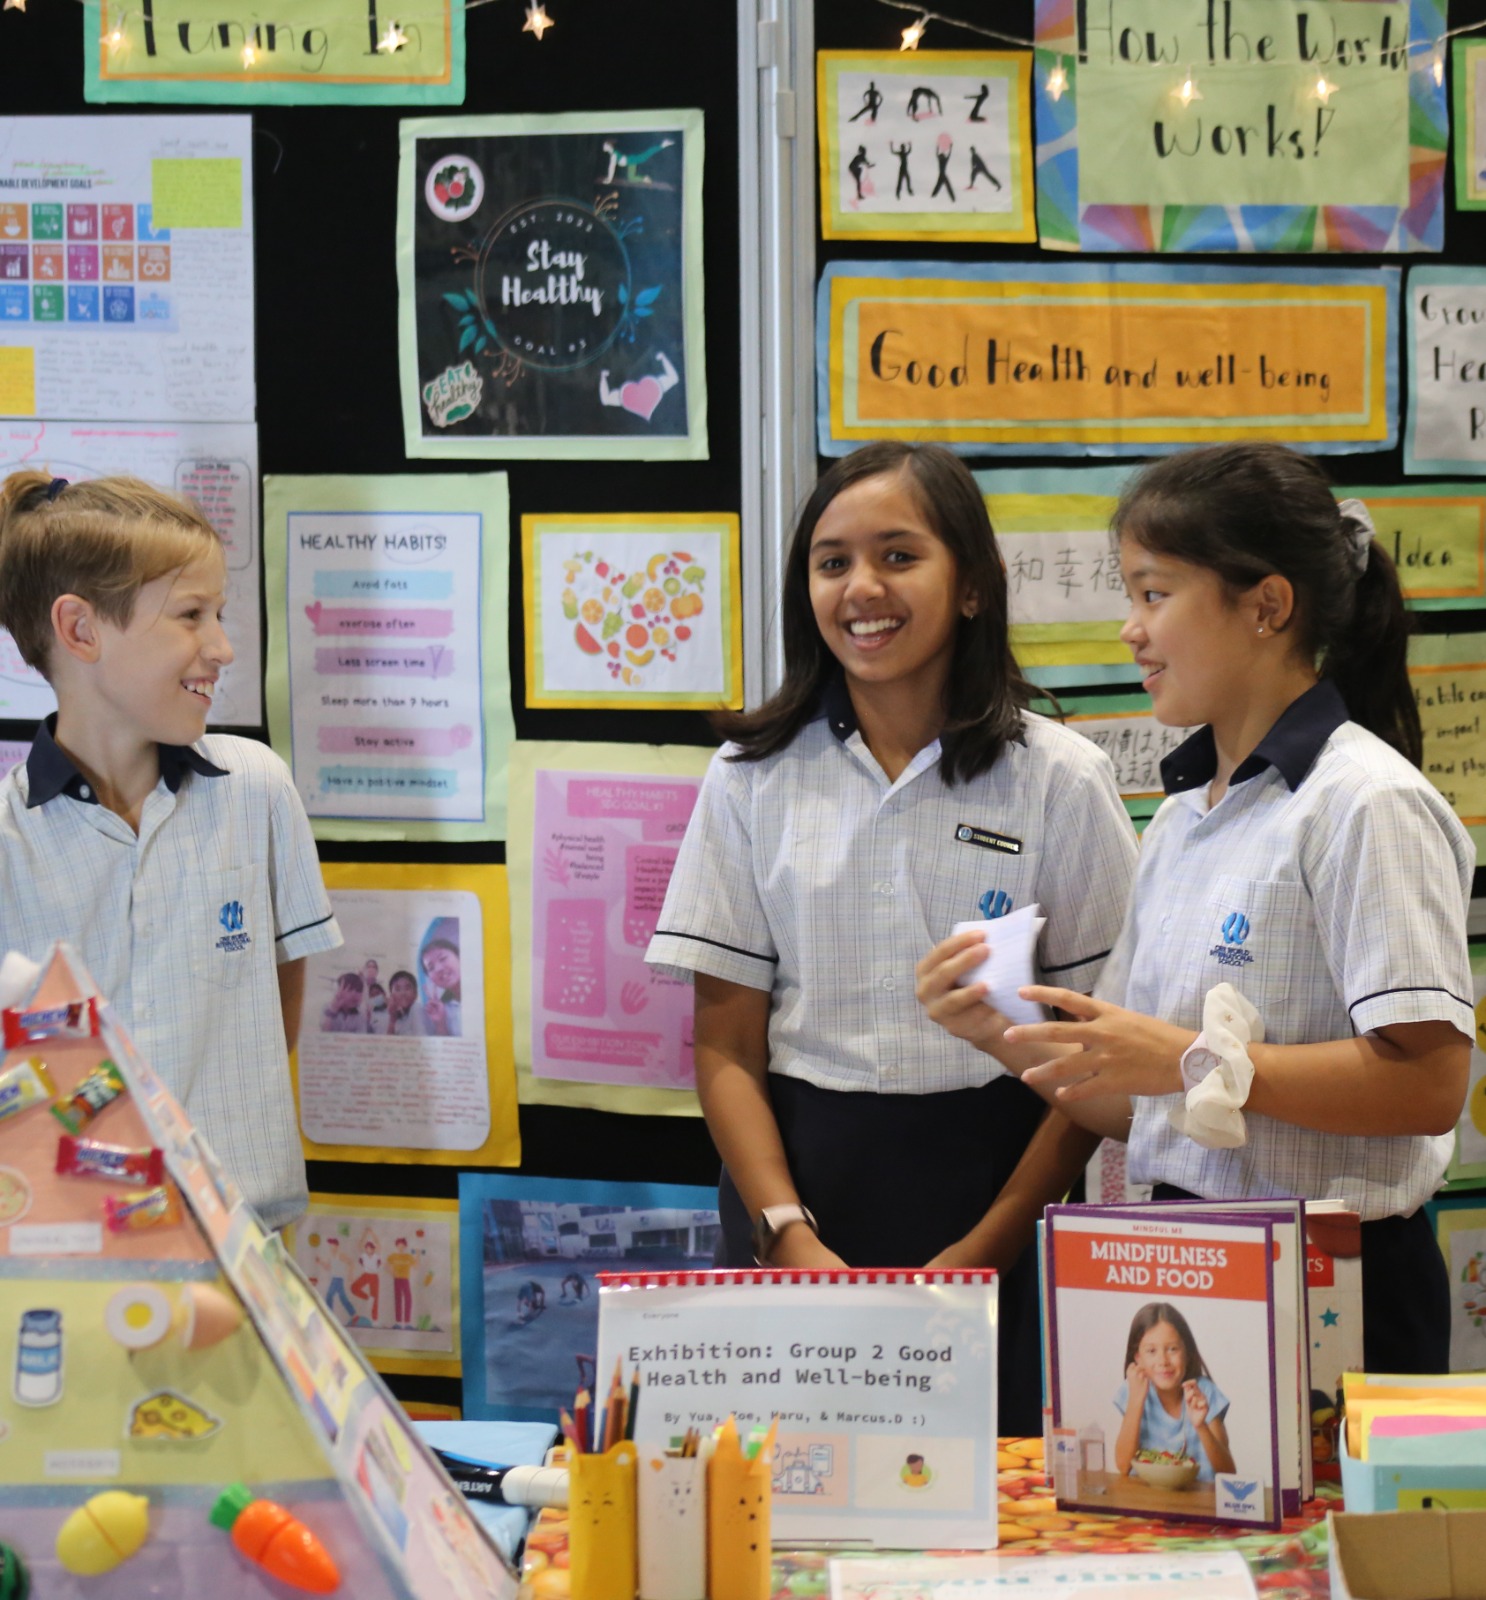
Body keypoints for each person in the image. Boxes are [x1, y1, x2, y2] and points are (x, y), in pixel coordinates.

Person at [917, 443, 1473, 1373]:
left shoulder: (1365, 802)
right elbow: (1135, 1105)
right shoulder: (1181, 817)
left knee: (1322, 1527)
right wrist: (997, 1030)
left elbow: (1426, 1086)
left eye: (1154, 593)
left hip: (1338, 1277)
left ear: (1267, 606)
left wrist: (1190, 1059)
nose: (1130, 630)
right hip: (1189, 1263)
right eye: (1129, 595)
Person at [646, 441, 1138, 1433]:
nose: (861, 588)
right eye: (832, 562)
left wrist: (996, 1239)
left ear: (970, 585)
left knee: (997, 1524)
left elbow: (1101, 1054)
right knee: (791, 1509)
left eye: (898, 555)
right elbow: (724, 1044)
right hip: (796, 1183)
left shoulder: (1061, 779)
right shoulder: (750, 779)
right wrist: (783, 1229)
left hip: (1003, 1183)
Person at [0, 471, 341, 1229]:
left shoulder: (255, 788)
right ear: (81, 630)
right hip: (64, 1262)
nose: (220, 647)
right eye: (191, 615)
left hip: (247, 1246)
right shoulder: (8, 844)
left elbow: (278, 1010)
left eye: (217, 613)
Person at [1113, 1302, 1233, 1481]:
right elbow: (1123, 1466)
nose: (1163, 1360)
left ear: (1187, 1352)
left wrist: (1201, 1426)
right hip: (1146, 1500)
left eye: (1172, 1349)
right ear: (1138, 1357)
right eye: (1151, 1351)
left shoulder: (1203, 1392)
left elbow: (1228, 1472)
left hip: (1198, 1503)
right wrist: (1136, 1401)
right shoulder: (1133, 1389)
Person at [421, 937, 462, 1036]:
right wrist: (440, 1023)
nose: (438, 968)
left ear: (459, 957)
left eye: (443, 958)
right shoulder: (442, 1009)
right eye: (431, 967)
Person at [383, 968, 427, 1037]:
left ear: (415, 994)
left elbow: (421, 1039)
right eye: (398, 989)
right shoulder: (396, 1017)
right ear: (391, 995)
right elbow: (388, 1043)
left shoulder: (416, 1008)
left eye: (407, 988)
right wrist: (392, 1019)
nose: (403, 993)